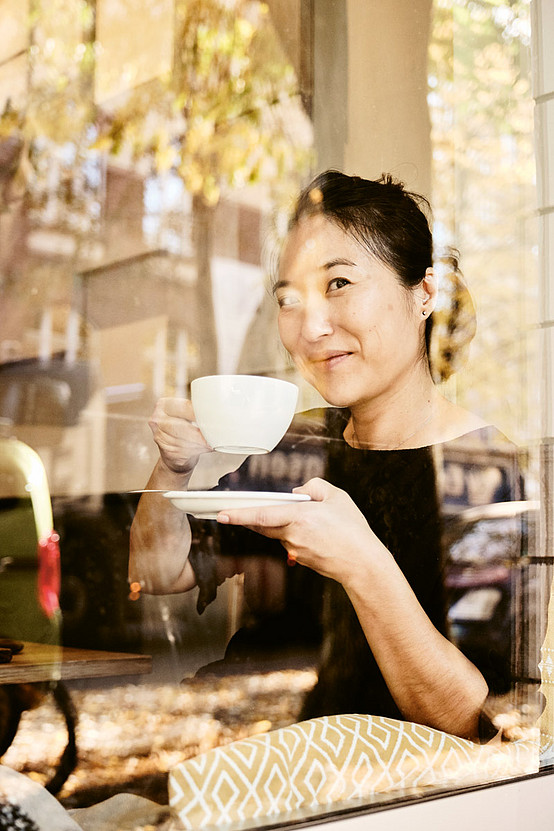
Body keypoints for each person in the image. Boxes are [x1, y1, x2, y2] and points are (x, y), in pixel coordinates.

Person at [130, 170, 521, 741]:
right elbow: (156, 572)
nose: (311, 327)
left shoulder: (490, 476)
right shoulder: (299, 448)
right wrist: (173, 466)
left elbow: (480, 724)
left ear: (424, 294)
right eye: (289, 299)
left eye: (339, 283)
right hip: (300, 775)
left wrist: (359, 559)